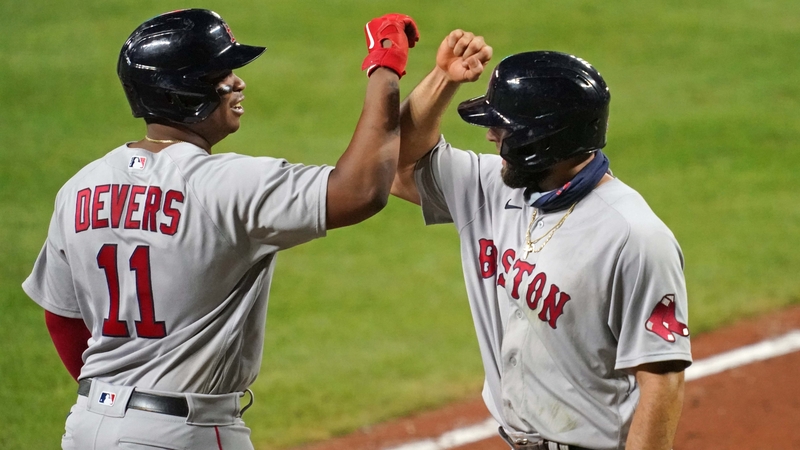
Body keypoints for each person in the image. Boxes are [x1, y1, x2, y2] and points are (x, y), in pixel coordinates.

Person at [22, 8, 418, 450]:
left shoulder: (80, 188)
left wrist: (121, 401)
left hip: (87, 425)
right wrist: (385, 67)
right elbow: (362, 190)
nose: (237, 82)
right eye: (221, 73)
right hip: (182, 433)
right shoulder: (224, 185)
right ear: (183, 92)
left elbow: (62, 317)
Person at [391, 30, 692, 450]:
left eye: (503, 127)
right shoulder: (492, 188)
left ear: (543, 139)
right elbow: (394, 164)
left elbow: (662, 382)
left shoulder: (633, 237)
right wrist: (444, 78)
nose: (490, 136)